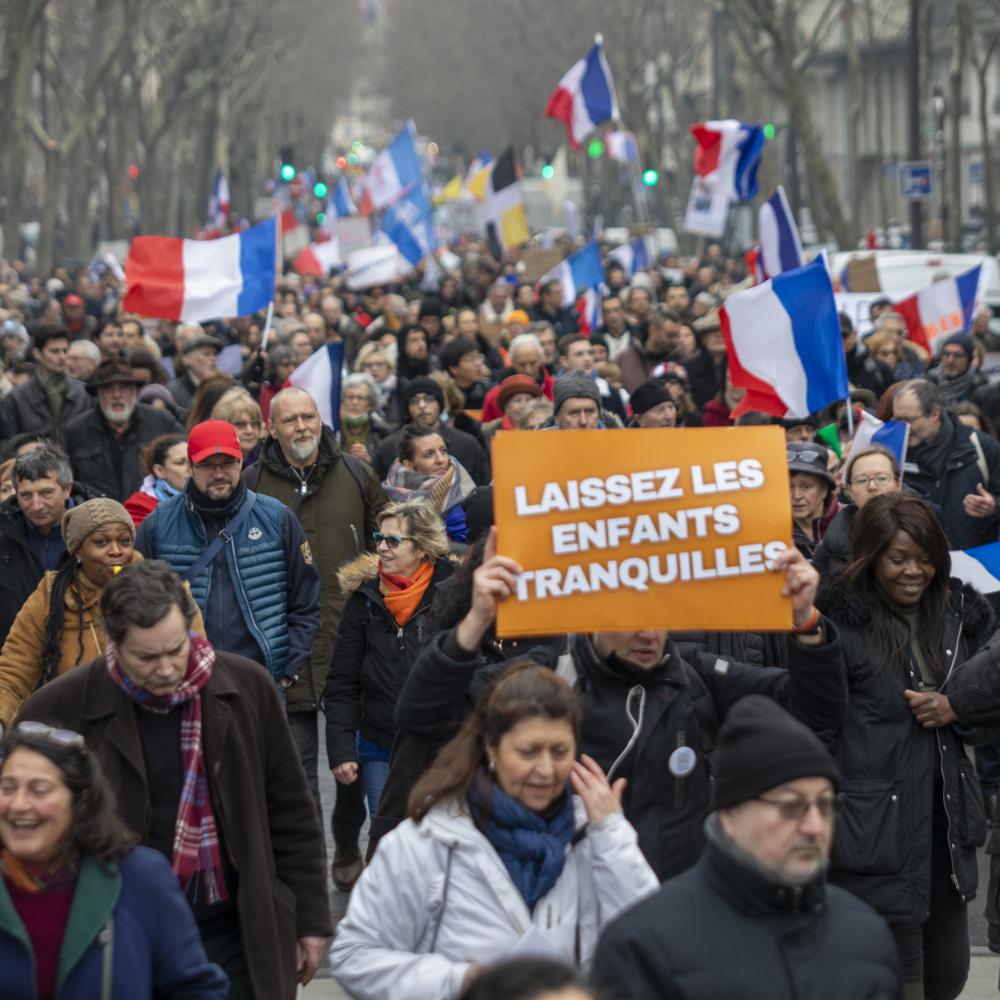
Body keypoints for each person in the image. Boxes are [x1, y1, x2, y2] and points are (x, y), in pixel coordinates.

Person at [393, 528, 845, 883]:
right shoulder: (546, 675)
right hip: (566, 906)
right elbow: (423, 715)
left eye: (659, 617)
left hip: (674, 906)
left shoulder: (699, 678)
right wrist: (476, 620)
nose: (648, 634)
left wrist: (807, 623)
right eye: (630, 618)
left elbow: (815, 713)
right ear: (591, 611)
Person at [16, 561, 332, 998]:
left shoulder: (248, 687)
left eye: (176, 650)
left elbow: (290, 809)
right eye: (146, 657)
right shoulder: (59, 708)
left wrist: (310, 920)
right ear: (113, 642)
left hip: (236, 929)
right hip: (117, 932)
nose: (166, 669)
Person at [329, 664, 659, 999]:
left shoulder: (595, 838)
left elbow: (654, 946)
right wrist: (461, 981)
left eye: (560, 752)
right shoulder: (428, 841)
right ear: (491, 748)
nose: (546, 769)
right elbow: (353, 956)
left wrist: (613, 836)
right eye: (528, 752)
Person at [592, 696, 900, 999]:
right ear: (730, 814)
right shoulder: (642, 947)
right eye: (791, 807)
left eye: (826, 805)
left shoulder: (867, 936)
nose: (814, 827)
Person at [818, 493, 999, 1000]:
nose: (913, 572)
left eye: (925, 559)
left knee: (949, 975)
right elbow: (816, 718)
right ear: (871, 556)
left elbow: (981, 725)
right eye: (899, 559)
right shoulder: (838, 624)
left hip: (945, 827)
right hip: (874, 832)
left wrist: (958, 709)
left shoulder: (961, 613)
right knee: (900, 980)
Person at [245, 387, 386, 882]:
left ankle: (346, 844)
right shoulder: (252, 482)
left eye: (309, 416)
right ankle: (305, 873)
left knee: (350, 767)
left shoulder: (356, 474)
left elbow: (386, 542)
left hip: (352, 646)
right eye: (291, 420)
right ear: (272, 428)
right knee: (296, 771)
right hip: (286, 649)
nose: (302, 427)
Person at [0, 722, 228, 998]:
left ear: (81, 802)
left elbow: (196, 989)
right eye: (7, 788)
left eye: (39, 790)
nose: (19, 804)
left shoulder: (141, 880)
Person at [135, 419, 321, 690]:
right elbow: (137, 602)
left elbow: (306, 600)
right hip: (184, 680)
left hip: (260, 681)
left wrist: (289, 666)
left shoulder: (278, 518)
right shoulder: (157, 525)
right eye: (208, 465)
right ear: (190, 467)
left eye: (227, 463)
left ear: (240, 462)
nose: (219, 473)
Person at [325, 498, 453, 824]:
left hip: (442, 746)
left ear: (422, 547)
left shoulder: (454, 593)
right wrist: (341, 749)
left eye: (393, 541)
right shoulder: (364, 599)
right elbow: (342, 680)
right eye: (378, 538)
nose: (381, 547)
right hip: (379, 743)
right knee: (386, 834)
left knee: (439, 834)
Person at [0, 499, 149, 728]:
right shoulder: (51, 595)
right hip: (72, 733)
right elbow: (14, 673)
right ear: (78, 550)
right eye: (101, 542)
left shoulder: (158, 590)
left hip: (142, 730)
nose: (116, 551)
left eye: (124, 541)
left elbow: (195, 660)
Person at [0, 447, 92, 650]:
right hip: (16, 655)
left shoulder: (97, 533)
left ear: (67, 489)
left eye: (46, 493)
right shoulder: (4, 538)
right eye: (26, 496)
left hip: (82, 655)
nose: (36, 505)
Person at [892, 378, 1000, 549]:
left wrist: (994, 506)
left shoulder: (983, 447)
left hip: (975, 559)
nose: (902, 427)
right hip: (919, 559)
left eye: (908, 420)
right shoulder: (893, 454)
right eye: (897, 419)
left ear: (934, 414)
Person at [63, 358, 183, 501]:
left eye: (124, 387)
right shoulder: (76, 431)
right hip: (97, 512)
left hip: (151, 510)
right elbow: (67, 481)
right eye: (108, 388)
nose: (117, 395)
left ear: (134, 391)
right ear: (98, 394)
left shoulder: (161, 422)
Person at [374, 377, 490, 485]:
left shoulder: (467, 444)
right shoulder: (389, 447)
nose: (422, 405)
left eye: (429, 398)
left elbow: (482, 489)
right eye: (414, 400)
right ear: (407, 407)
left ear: (440, 404)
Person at [813, 445, 902, 579]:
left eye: (882, 478)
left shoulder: (922, 530)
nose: (872, 487)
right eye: (862, 481)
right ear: (849, 491)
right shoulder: (829, 548)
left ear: (897, 484)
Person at [383, 425, 476, 542]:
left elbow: (468, 544)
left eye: (443, 451)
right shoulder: (387, 493)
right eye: (429, 454)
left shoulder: (458, 493)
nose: (440, 460)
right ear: (408, 464)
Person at [3, 325, 92, 445]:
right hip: (34, 457)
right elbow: (7, 443)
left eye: (65, 351)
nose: (62, 357)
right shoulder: (17, 397)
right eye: (55, 351)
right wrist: (23, 449)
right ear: (37, 353)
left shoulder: (84, 395)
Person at [122, 433, 190, 528]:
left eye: (192, 462)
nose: (190, 468)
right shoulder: (138, 507)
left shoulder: (207, 497)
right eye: (180, 462)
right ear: (159, 471)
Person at [787, 442, 840, 560]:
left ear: (824, 489)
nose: (796, 496)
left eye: (806, 487)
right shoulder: (772, 532)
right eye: (789, 487)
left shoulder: (851, 521)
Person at [618, 307, 682, 394]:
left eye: (677, 335)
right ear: (652, 331)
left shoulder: (683, 359)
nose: (675, 341)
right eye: (670, 335)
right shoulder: (625, 359)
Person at [339, 373, 391, 464]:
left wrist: (370, 461)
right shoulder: (332, 431)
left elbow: (387, 468)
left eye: (361, 398)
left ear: (371, 405)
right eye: (350, 397)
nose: (354, 402)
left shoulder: (383, 433)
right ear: (343, 401)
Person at [166, 328, 221, 412]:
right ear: (188, 359)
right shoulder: (173, 391)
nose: (213, 358)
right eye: (206, 354)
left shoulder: (225, 386)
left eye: (215, 354)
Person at [210, 385, 263, 467]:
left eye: (254, 424)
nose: (249, 430)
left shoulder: (268, 461)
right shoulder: (207, 463)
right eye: (240, 424)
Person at [926, 332, 985, 405]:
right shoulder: (927, 382)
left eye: (958, 355)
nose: (950, 360)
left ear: (969, 360)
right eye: (946, 354)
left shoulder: (980, 386)